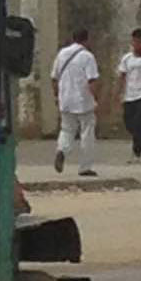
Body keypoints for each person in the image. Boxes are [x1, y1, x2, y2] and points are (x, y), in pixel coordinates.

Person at [51, 29, 99, 176]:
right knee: (87, 132)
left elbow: (54, 78)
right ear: (86, 40)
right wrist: (96, 99)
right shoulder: (88, 57)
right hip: (83, 100)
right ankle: (85, 167)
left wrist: (56, 96)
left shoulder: (62, 54)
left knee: (67, 129)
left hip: (65, 99)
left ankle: (62, 150)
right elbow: (92, 80)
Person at [117, 28, 141, 164]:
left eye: (139, 42)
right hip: (129, 95)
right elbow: (122, 76)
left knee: (138, 122)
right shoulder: (127, 58)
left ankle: (137, 153)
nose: (136, 45)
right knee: (129, 123)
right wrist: (119, 93)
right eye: (134, 42)